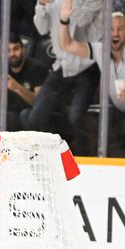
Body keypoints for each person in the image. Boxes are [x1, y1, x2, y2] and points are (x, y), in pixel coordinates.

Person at [29, 0, 103, 152]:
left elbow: (81, 20)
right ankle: (55, 153)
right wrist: (41, 5)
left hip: (87, 65)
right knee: (36, 116)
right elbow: (41, 29)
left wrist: (67, 4)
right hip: (61, 65)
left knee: (76, 118)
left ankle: (81, 159)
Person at [58, 0, 125, 155]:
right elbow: (66, 45)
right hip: (117, 114)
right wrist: (64, 20)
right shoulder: (100, 50)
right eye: (111, 29)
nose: (115, 33)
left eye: (120, 29)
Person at [0, 33, 48, 131]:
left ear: (23, 49)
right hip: (11, 114)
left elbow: (39, 103)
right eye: (8, 51)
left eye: (16, 49)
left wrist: (17, 88)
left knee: (25, 114)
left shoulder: (37, 68)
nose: (12, 54)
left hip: (31, 113)